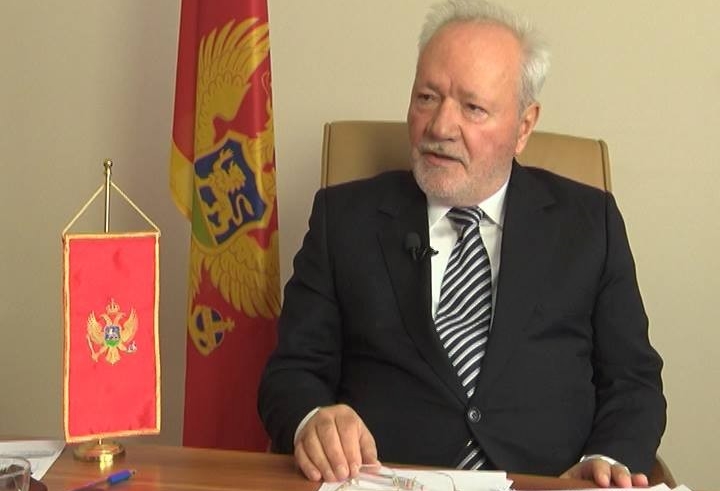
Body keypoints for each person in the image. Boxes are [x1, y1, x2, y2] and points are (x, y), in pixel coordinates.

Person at [258, 0, 666, 487]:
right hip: (384, 482)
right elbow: (291, 374)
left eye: (472, 108)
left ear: (524, 126)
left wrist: (607, 461)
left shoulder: (589, 223)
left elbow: (634, 383)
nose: (440, 127)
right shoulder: (344, 219)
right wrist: (312, 419)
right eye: (427, 97)